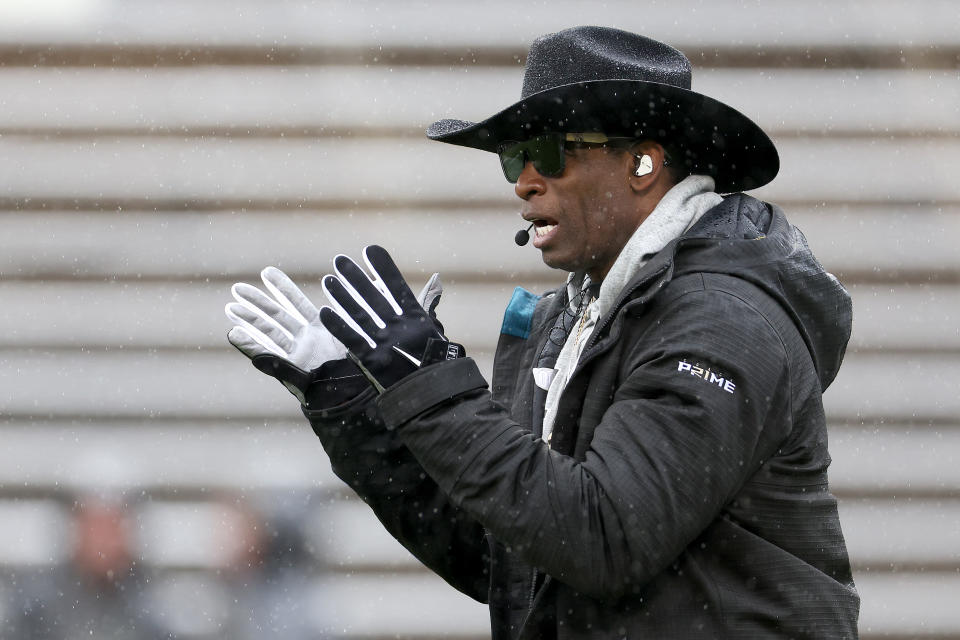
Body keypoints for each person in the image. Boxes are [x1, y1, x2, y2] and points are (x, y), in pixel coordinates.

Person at [225, 26, 860, 639]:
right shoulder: (576, 318)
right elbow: (507, 556)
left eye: (551, 153)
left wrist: (431, 384)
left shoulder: (724, 318)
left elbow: (603, 537)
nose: (527, 180)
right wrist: (356, 402)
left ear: (644, 163)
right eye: (515, 158)